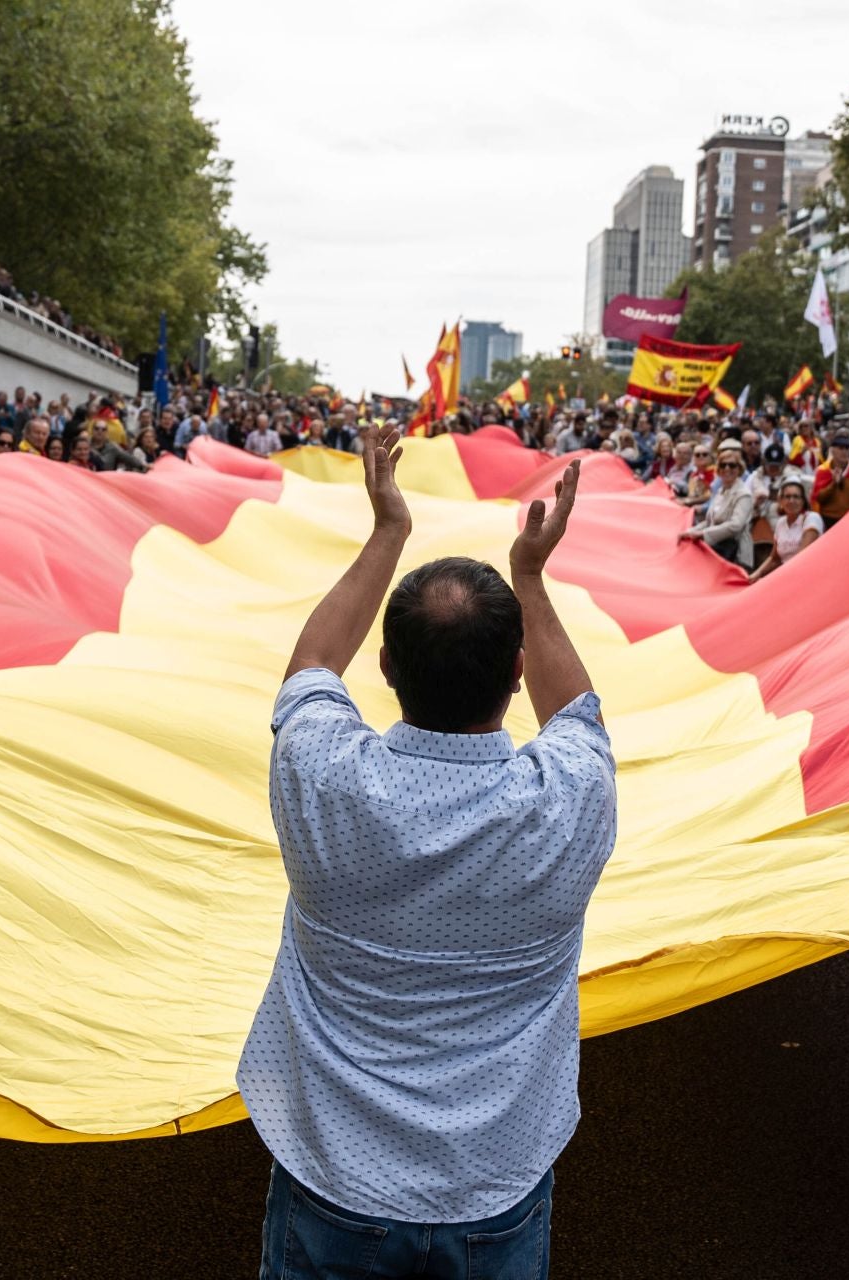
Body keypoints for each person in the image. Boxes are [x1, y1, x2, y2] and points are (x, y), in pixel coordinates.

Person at [241, 434, 613, 1280]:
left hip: (334, 1178)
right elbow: (578, 715)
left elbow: (309, 667)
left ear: (385, 667)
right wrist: (532, 576)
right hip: (495, 1187)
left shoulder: (323, 777)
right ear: (515, 672)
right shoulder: (568, 800)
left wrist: (386, 531)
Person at [678, 447, 752, 566]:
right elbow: (709, 521)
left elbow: (735, 525)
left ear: (739, 469)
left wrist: (703, 534)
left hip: (734, 556)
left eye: (732, 465)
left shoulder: (744, 494)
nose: (727, 469)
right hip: (715, 550)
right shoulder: (720, 491)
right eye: (723, 465)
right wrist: (690, 531)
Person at [748, 478, 823, 582]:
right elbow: (774, 558)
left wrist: (778, 578)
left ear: (803, 501)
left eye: (796, 497)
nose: (791, 501)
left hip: (807, 576)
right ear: (781, 501)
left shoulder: (812, 518)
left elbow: (802, 557)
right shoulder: (781, 523)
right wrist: (756, 574)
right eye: (787, 497)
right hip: (785, 576)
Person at [811, 433, 849, 527]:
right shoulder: (823, 470)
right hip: (827, 519)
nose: (844, 452)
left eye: (847, 448)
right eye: (841, 448)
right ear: (832, 450)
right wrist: (833, 484)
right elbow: (818, 498)